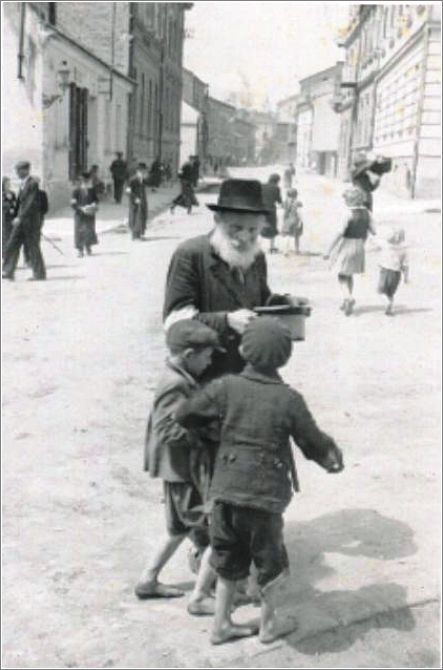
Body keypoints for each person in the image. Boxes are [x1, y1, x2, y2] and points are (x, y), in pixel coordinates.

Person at [176, 317, 344, 645]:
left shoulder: (224, 387)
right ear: (285, 356)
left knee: (226, 560)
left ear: (242, 349)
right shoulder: (289, 399)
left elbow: (184, 414)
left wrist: (212, 433)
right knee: (271, 563)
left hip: (224, 493)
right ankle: (268, 626)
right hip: (264, 498)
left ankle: (221, 625)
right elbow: (312, 443)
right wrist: (331, 458)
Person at [163, 178, 291, 381]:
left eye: (252, 230)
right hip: (205, 376)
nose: (244, 237)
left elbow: (260, 300)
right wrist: (226, 321)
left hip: (249, 372)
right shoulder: (191, 254)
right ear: (217, 219)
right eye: (236, 228)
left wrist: (284, 303)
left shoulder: (257, 256)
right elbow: (174, 321)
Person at [137, 319, 222, 614]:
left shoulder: (177, 376)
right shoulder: (175, 385)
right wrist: (208, 429)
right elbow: (167, 430)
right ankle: (201, 596)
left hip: (174, 471)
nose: (210, 361)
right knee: (217, 532)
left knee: (176, 529)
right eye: (207, 356)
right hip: (183, 471)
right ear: (189, 354)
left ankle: (147, 579)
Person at [324, 187, 376, 316]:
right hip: (359, 246)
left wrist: (328, 250)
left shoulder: (347, 214)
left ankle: (348, 297)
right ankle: (346, 300)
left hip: (346, 244)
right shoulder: (367, 213)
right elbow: (373, 231)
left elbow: (339, 234)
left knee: (341, 274)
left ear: (349, 200)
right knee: (350, 274)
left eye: (346, 199)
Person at [2, 161, 46, 281]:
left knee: (33, 247)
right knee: (12, 244)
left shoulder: (32, 184)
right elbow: (20, 204)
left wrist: (20, 217)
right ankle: (8, 271)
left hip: (29, 222)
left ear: (26, 170)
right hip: (22, 222)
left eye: (19, 171)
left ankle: (39, 274)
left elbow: (30, 204)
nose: (17, 173)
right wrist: (16, 216)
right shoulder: (23, 184)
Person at [375, 227, 409, 316]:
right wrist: (406, 278)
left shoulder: (386, 245)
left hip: (385, 271)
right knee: (390, 293)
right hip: (397, 274)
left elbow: (376, 241)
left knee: (380, 291)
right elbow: (405, 266)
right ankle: (389, 310)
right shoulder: (403, 250)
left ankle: (387, 303)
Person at [71, 172, 99, 257]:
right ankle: (80, 250)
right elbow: (73, 204)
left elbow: (96, 200)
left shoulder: (92, 190)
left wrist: (94, 204)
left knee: (89, 230)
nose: (86, 183)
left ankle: (88, 247)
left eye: (87, 181)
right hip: (80, 215)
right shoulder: (76, 191)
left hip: (90, 214)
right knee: (79, 231)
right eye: (84, 181)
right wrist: (81, 208)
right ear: (81, 182)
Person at [126, 162, 149, 240]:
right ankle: (134, 234)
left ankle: (140, 234)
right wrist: (135, 198)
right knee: (135, 217)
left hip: (142, 200)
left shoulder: (142, 179)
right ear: (138, 171)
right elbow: (128, 191)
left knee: (142, 216)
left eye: (144, 171)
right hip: (134, 201)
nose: (144, 172)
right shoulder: (133, 179)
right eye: (143, 171)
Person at [261, 173, 282, 253]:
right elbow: (279, 200)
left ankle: (258, 247)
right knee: (272, 228)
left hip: (261, 209)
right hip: (271, 210)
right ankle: (271, 247)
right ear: (277, 180)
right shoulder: (276, 188)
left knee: (261, 227)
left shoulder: (262, 185)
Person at [281, 188, 303, 255]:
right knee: (297, 236)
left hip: (287, 220)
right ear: (296, 195)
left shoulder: (285, 202)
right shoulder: (298, 203)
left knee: (287, 236)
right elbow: (300, 212)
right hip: (295, 220)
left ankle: (285, 250)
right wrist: (300, 221)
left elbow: (282, 211)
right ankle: (297, 250)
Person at [2, 177, 17, 261]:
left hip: (12, 219)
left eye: (9, 184)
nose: (8, 185)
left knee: (12, 238)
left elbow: (16, 203)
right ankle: (5, 257)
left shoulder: (12, 193)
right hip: (4, 219)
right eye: (7, 184)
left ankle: (10, 257)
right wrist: (8, 208)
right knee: (5, 238)